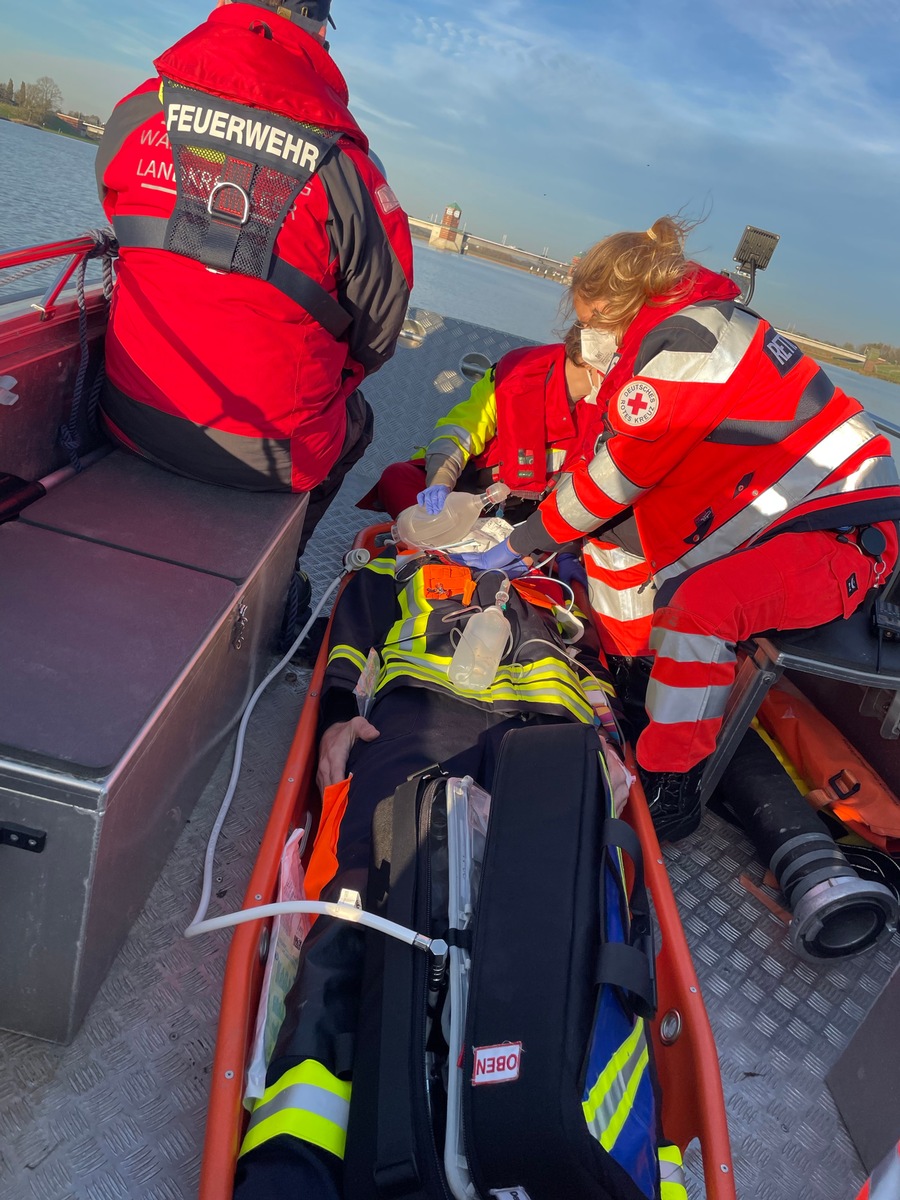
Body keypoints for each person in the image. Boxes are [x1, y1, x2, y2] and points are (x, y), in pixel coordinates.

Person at [456, 215, 900, 842]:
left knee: (704, 608)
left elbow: (617, 476)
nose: (588, 339)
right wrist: (547, 522)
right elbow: (612, 473)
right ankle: (636, 680)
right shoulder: (678, 331)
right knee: (611, 542)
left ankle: (673, 787)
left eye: (590, 324)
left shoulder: (688, 347)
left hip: (839, 529)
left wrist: (524, 542)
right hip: (780, 512)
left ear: (617, 307)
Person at [233, 545, 633, 1198]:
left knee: (559, 921)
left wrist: (607, 748)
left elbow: (591, 679)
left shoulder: (555, 601)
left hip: (552, 747)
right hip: (417, 719)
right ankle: (297, 1172)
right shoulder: (399, 570)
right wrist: (339, 717)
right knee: (366, 895)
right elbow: (351, 635)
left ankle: (543, 1134)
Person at [95, 0, 413, 554]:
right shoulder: (346, 165)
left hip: (125, 415)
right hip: (272, 456)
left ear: (226, 5)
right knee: (357, 421)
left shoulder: (142, 108)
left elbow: (118, 215)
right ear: (317, 29)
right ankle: (286, 562)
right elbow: (380, 326)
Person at [357, 326, 605, 522]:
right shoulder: (515, 374)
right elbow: (458, 431)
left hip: (529, 518)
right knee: (396, 477)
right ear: (592, 363)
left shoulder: (610, 408)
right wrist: (441, 481)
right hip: (468, 493)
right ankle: (444, 542)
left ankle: (446, 546)